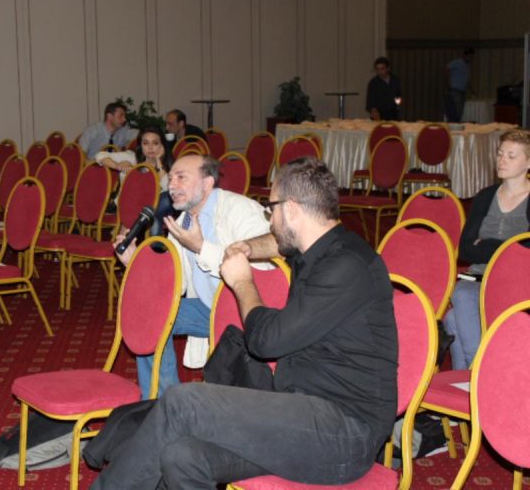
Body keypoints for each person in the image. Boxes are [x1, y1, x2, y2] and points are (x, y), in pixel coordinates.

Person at [92, 158, 398, 489]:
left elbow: (265, 342)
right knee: (183, 456)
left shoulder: (347, 265)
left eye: (272, 209)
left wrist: (242, 282)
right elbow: (277, 243)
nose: (270, 218)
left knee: (184, 402)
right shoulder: (318, 247)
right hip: (302, 412)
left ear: (292, 210)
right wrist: (245, 247)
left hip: (344, 432)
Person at [116, 154, 270, 398]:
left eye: (181, 177)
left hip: (249, 310)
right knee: (150, 313)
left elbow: (266, 272)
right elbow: (173, 285)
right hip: (209, 307)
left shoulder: (242, 211)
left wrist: (200, 247)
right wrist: (134, 262)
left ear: (207, 183)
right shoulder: (183, 222)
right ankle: (162, 401)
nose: (172, 185)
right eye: (171, 178)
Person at [444, 129, 530, 370]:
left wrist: (487, 245)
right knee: (458, 303)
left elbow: (524, 255)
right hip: (478, 276)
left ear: (528, 163)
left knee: (454, 316)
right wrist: (509, 246)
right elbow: (465, 250)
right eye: (500, 153)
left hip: (514, 280)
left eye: (511, 156)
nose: (502, 160)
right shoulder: (485, 196)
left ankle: (476, 372)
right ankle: (476, 375)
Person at [95, 125, 174, 235]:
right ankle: (150, 241)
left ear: (162, 145)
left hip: (154, 209)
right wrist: (118, 166)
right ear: (140, 146)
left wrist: (159, 162)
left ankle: (130, 233)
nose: (150, 147)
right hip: (132, 208)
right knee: (155, 217)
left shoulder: (169, 166)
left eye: (155, 143)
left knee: (164, 199)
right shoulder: (133, 158)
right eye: (145, 143)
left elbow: (169, 190)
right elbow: (100, 155)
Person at [365, 57, 402, 121]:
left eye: (382, 69)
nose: (379, 72)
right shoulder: (373, 83)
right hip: (378, 114)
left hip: (393, 113)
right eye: (377, 69)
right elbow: (370, 99)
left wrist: (398, 105)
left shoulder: (395, 80)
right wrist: (373, 111)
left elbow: (398, 95)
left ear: (388, 68)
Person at [445, 47, 475, 123]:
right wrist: (449, 82)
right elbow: (447, 68)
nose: (470, 58)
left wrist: (471, 89)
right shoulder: (458, 62)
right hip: (455, 90)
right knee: (456, 111)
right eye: (469, 56)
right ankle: (453, 124)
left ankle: (455, 124)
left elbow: (466, 79)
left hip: (462, 91)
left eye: (472, 57)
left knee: (459, 112)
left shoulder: (467, 66)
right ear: (464, 55)